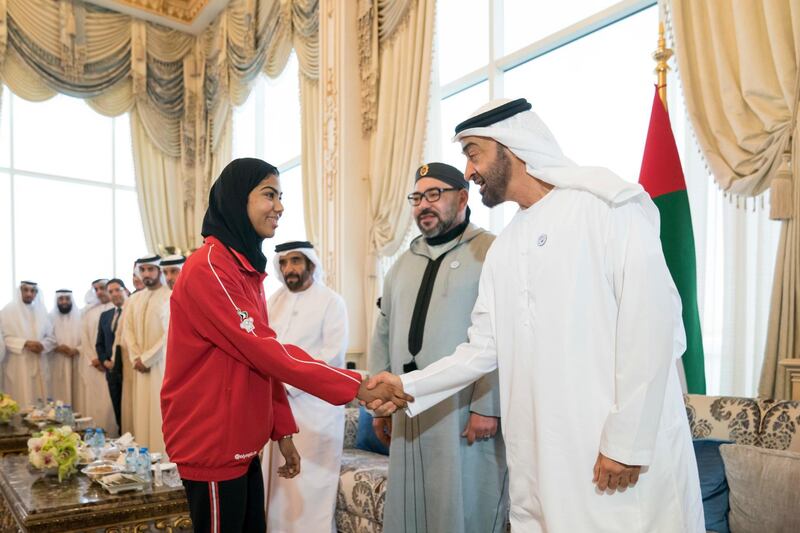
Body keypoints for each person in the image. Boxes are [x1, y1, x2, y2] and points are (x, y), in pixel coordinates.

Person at [368, 99, 705, 532]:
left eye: (474, 153)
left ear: (513, 146)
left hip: (611, 452)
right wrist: (406, 386)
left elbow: (653, 326)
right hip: (542, 459)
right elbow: (481, 349)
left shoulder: (606, 208)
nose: (469, 171)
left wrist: (627, 444)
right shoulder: (505, 247)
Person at [161, 158, 411, 533]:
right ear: (236, 199)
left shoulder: (243, 269)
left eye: (281, 196)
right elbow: (267, 351)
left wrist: (282, 432)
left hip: (240, 443)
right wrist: (356, 385)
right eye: (269, 195)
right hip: (212, 442)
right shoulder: (209, 268)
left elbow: (261, 360)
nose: (279, 206)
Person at [369, 162, 508, 533]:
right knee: (409, 508)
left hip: (462, 412)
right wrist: (378, 405)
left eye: (434, 195)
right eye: (417, 197)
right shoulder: (402, 263)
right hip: (406, 408)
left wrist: (487, 406)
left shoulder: (491, 251)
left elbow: (501, 335)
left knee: (464, 507)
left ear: (462, 197)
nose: (422, 205)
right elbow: (382, 332)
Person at [262, 241, 349, 533]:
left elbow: (332, 355)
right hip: (277, 408)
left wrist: (289, 384)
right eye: (284, 263)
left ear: (311, 264)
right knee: (279, 489)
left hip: (317, 410)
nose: (290, 269)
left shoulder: (331, 301)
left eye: (296, 261)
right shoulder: (273, 301)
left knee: (311, 488)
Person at [120, 255, 170, 452]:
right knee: (142, 413)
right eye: (143, 270)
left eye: (151, 269)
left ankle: (164, 462)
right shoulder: (134, 299)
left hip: (161, 366)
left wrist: (148, 359)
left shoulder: (169, 295)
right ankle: (144, 459)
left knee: (159, 414)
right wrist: (136, 357)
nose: (146, 274)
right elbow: (128, 330)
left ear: (158, 271)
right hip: (139, 367)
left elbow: (169, 334)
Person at [0, 281, 55, 406]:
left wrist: (42, 345)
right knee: (21, 397)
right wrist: (25, 343)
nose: (29, 294)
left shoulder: (41, 311)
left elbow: (51, 337)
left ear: (36, 293)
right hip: (18, 364)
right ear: (20, 291)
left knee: (40, 400)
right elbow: (3, 338)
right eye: (26, 290)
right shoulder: (7, 311)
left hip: (39, 361)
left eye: (32, 291)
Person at [78, 279, 117, 435]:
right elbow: (85, 338)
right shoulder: (89, 312)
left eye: (102, 288)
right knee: (95, 403)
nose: (100, 292)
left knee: (110, 403)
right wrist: (94, 359)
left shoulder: (117, 309)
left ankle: (113, 434)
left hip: (110, 365)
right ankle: (95, 435)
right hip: (93, 366)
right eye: (96, 289)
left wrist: (105, 360)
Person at [96, 279, 129, 436]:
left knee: (130, 411)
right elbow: (99, 344)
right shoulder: (105, 316)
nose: (115, 294)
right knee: (118, 410)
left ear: (125, 290)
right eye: (111, 291)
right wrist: (104, 361)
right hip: (112, 372)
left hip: (129, 371)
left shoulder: (131, 310)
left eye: (118, 290)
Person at [47, 289, 81, 404]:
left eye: (67, 299)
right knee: (58, 394)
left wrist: (76, 349)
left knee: (78, 395)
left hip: (77, 360)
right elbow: (45, 338)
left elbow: (86, 338)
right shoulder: (49, 317)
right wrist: (57, 347)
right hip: (56, 361)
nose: (64, 302)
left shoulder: (80, 316)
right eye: (61, 299)